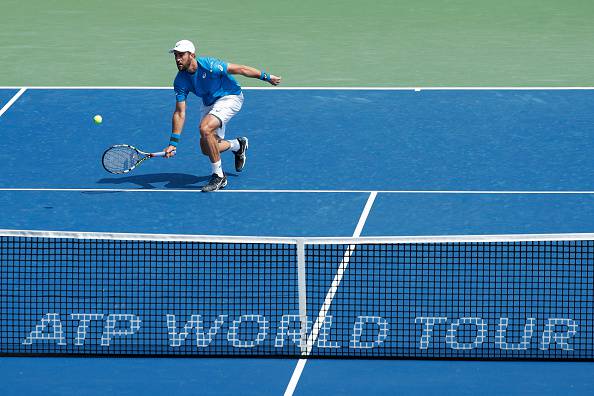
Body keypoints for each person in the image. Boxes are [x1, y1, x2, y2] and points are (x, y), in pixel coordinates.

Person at [163, 40, 281, 192]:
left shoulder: (210, 65)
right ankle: (238, 145)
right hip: (209, 103)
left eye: (181, 55)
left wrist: (266, 76)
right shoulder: (180, 81)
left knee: (205, 128)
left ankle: (218, 176)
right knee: (207, 148)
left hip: (230, 96)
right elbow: (180, 112)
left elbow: (240, 69)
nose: (178, 59)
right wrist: (173, 142)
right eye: (176, 56)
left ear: (192, 55)